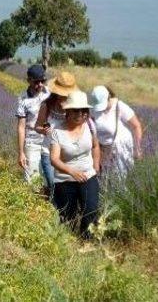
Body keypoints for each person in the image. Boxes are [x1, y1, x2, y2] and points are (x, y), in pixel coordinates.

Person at [49, 90, 101, 238]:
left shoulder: (90, 124)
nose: (81, 114)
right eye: (76, 110)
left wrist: (96, 166)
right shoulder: (58, 131)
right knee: (68, 219)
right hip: (65, 179)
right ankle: (70, 246)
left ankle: (86, 242)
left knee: (91, 210)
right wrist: (72, 172)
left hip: (87, 175)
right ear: (68, 111)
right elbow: (54, 159)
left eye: (84, 110)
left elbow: (96, 146)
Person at [35, 71, 79, 199]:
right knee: (53, 184)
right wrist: (42, 130)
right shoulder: (46, 106)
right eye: (60, 94)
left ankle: (63, 214)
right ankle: (54, 213)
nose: (62, 97)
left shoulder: (74, 109)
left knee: (65, 189)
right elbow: (37, 125)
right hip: (47, 153)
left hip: (66, 155)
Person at [90, 85, 143, 185]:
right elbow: (91, 128)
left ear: (109, 97)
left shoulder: (119, 106)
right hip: (102, 148)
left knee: (119, 180)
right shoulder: (94, 109)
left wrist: (137, 148)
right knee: (103, 179)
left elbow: (137, 126)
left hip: (120, 148)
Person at [15, 64, 50, 184]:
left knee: (50, 180)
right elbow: (21, 127)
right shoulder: (23, 99)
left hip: (49, 142)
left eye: (42, 81)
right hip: (32, 142)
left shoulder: (49, 94)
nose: (40, 84)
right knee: (32, 181)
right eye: (36, 82)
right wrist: (21, 153)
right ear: (28, 80)